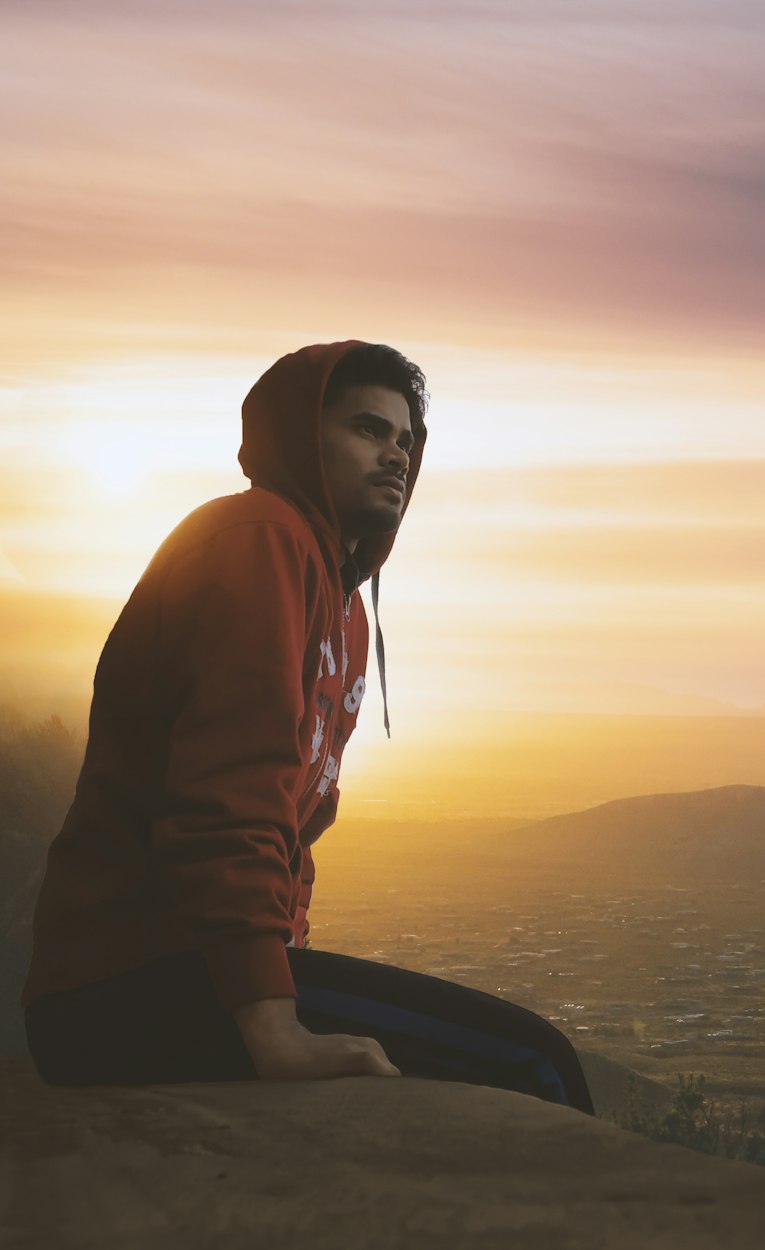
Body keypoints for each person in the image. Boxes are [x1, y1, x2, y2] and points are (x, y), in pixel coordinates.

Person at [22, 340, 594, 1114]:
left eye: (405, 441)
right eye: (367, 428)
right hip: (131, 982)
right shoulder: (258, 539)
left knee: (523, 1060)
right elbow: (229, 799)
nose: (396, 456)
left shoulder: (345, 608)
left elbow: (295, 826)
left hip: (190, 977)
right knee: (535, 1066)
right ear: (301, 435)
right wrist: (275, 1027)